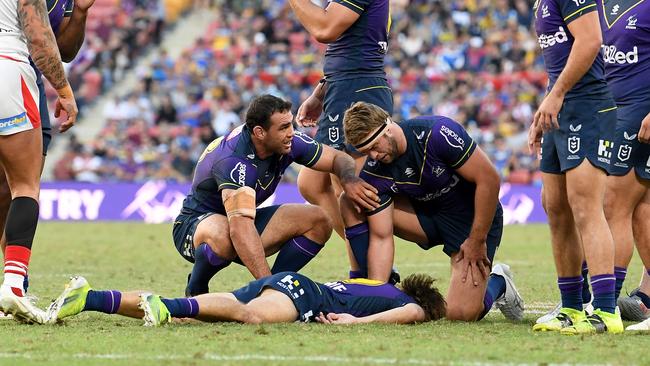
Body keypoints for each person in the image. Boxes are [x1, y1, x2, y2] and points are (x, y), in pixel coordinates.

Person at [175, 95, 380, 297]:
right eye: (283, 128)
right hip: (193, 227)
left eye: (290, 124)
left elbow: (338, 158)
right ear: (259, 132)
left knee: (319, 219)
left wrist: (349, 179)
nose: (291, 133)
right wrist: (267, 288)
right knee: (223, 232)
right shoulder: (234, 161)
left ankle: (276, 287)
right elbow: (240, 230)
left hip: (242, 220)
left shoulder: (290, 142)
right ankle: (197, 287)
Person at [339, 102, 523, 322]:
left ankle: (499, 282)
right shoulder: (375, 171)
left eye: (374, 146)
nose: (374, 156)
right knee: (352, 200)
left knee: (461, 314)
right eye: (366, 151)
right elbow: (381, 237)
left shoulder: (437, 133)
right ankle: (366, 284)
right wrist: (378, 296)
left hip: (470, 219)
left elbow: (489, 180)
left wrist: (477, 239)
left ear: (387, 126)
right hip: (425, 218)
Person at [528, 0, 622, 334]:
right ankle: (571, 308)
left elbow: (590, 40)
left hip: (587, 105)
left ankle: (606, 311)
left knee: (586, 207)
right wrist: (546, 106)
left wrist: (557, 94)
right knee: (555, 207)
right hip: (559, 108)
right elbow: (558, 59)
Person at [287, 0, 393, 277]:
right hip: (343, 84)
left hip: (356, 87)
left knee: (348, 190)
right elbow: (351, 44)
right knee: (312, 182)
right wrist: (320, 93)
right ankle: (370, 257)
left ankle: (367, 277)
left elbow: (326, 29)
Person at [0, 0, 94, 303]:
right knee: (25, 186)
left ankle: (15, 281)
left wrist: (79, 13)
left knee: (9, 189)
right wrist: (66, 92)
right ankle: (14, 284)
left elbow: (64, 49)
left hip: (23, 72)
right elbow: (39, 37)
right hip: (11, 67)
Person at [46, 272, 446, 325]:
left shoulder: (376, 284)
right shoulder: (400, 300)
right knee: (250, 317)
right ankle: (167, 307)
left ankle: (92, 297)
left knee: (198, 314)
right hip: (302, 294)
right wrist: (358, 324)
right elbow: (413, 311)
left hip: (290, 282)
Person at [596, 0, 650, 330]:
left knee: (614, 204)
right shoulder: (599, 6)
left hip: (639, 110)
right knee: (642, 209)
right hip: (612, 112)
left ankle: (606, 304)